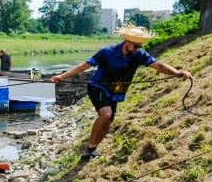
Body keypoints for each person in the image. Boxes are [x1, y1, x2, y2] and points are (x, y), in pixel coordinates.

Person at [50, 25, 193, 160]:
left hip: (116, 91)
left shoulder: (139, 55)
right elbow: (83, 66)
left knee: (108, 123)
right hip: (97, 86)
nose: (137, 49)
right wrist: (61, 77)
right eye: (135, 46)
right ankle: (90, 147)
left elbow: (158, 65)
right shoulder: (107, 52)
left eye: (140, 46)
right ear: (126, 42)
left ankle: (91, 148)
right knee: (106, 114)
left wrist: (177, 72)